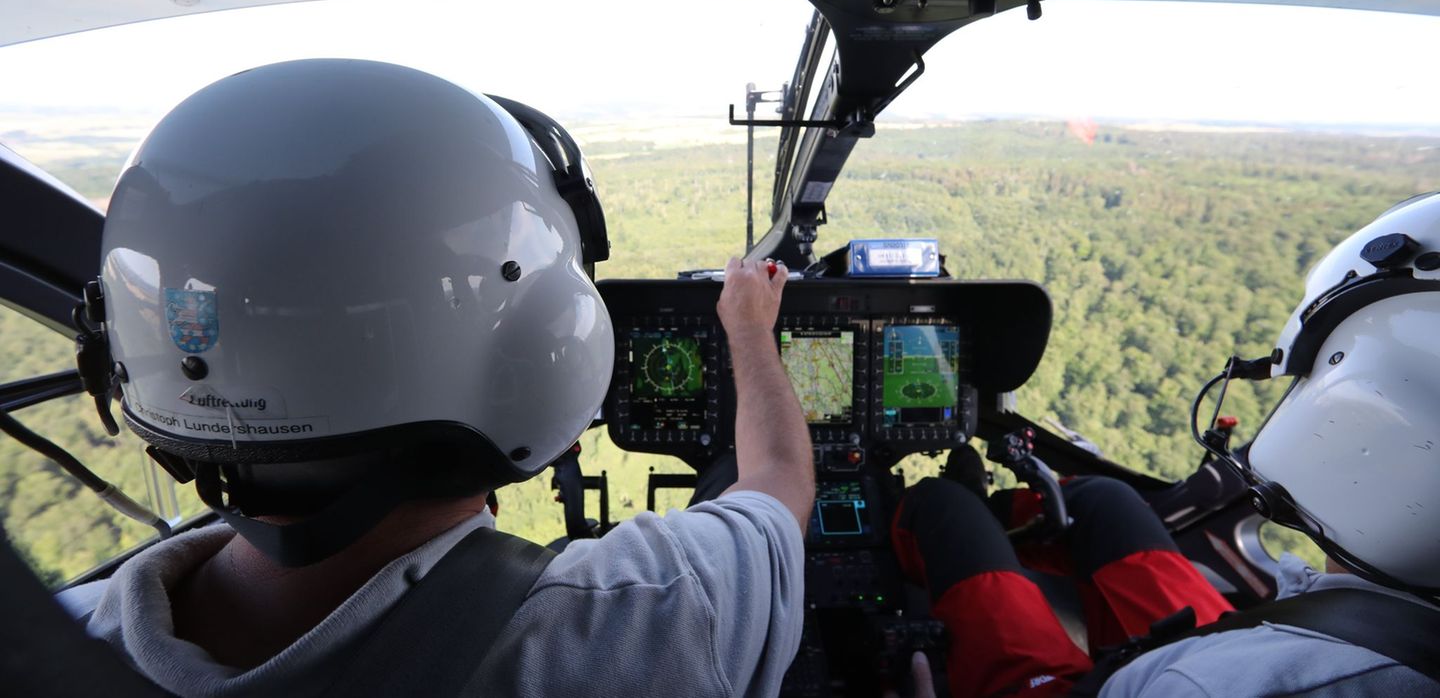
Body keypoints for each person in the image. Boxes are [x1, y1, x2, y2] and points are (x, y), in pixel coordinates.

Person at [57, 58, 814, 697]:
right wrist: (749, 328)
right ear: (541, 351)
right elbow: (779, 481)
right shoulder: (646, 619)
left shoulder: (54, 633)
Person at [893, 193, 1440, 697]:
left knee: (940, 505)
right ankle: (988, 522)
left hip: (1159, 674)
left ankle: (952, 524)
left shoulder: (1212, 685)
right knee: (1102, 499)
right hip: (1224, 644)